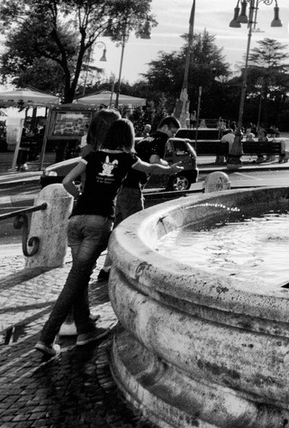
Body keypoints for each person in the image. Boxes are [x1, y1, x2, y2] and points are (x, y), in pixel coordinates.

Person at [35, 118, 182, 360]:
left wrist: (80, 194)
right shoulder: (127, 159)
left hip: (76, 221)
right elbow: (152, 168)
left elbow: (65, 181)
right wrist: (172, 170)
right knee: (75, 280)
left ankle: (84, 330)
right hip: (99, 222)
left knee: (79, 276)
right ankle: (46, 337)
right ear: (128, 138)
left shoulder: (91, 157)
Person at [96, 116, 180, 280]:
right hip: (132, 189)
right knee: (137, 230)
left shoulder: (145, 139)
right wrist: (169, 167)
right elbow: (154, 160)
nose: (172, 136)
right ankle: (133, 272)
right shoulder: (160, 139)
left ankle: (106, 269)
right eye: (172, 131)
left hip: (119, 189)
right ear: (164, 127)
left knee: (119, 229)